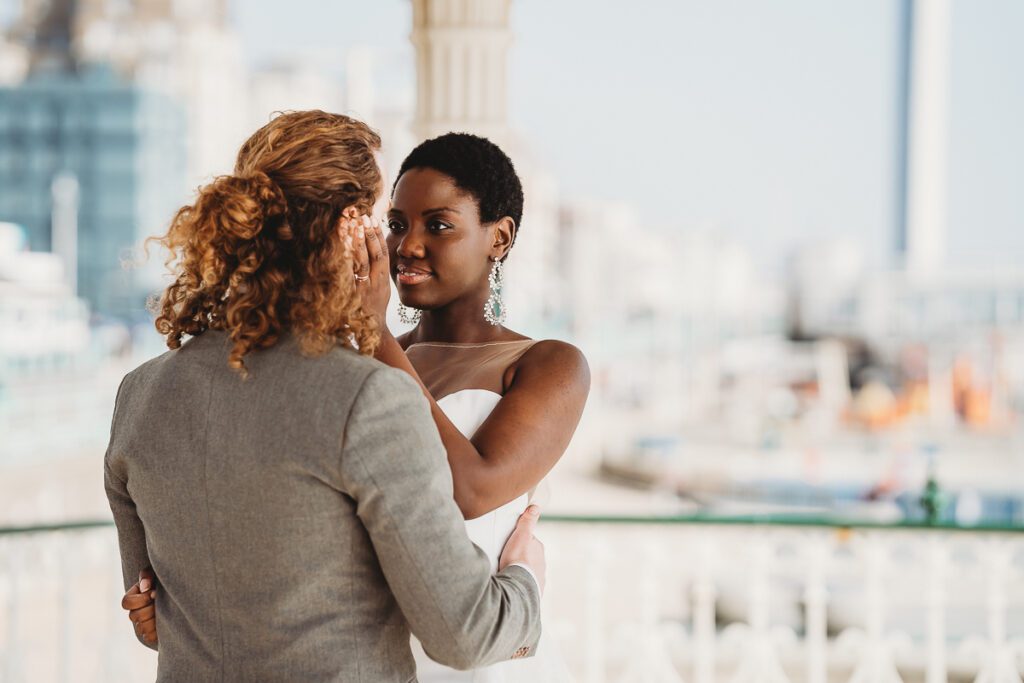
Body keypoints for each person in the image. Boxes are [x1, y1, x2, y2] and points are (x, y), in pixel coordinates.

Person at [106, 110, 545, 682]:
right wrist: (525, 585)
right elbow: (464, 634)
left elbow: (153, 614)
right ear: (352, 228)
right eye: (383, 218)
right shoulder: (368, 400)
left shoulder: (139, 395)